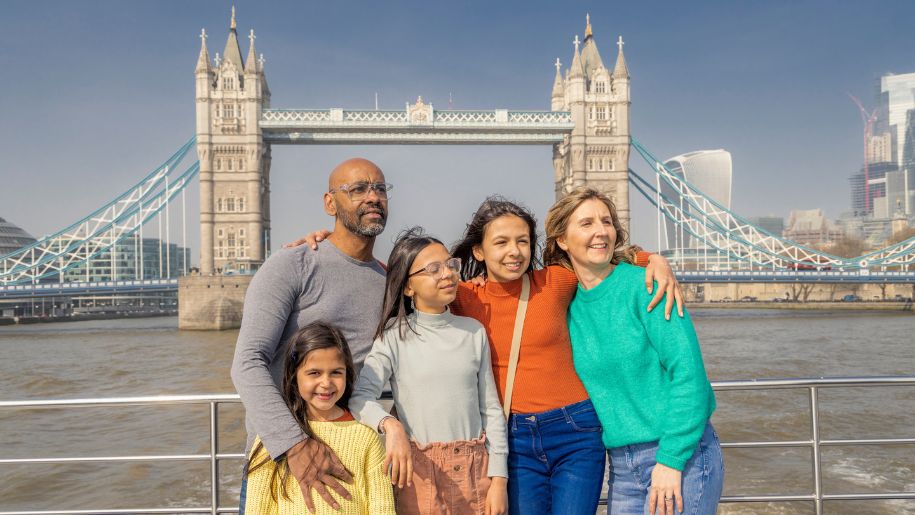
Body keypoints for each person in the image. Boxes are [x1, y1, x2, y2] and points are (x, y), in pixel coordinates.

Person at [447, 196, 684, 515]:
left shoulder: (555, 281)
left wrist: (654, 258)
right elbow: (416, 287)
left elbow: (600, 258)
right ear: (479, 250)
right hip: (513, 439)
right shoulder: (462, 297)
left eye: (523, 241)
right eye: (501, 242)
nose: (514, 252)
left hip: (577, 431)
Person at [543, 187, 723, 515]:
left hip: (679, 457)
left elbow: (689, 376)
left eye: (607, 221)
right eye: (586, 224)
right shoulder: (565, 304)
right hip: (621, 468)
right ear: (562, 240)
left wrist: (670, 461)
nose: (601, 231)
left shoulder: (647, 287)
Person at [231, 158, 392, 513]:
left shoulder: (391, 282)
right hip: (284, 464)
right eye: (358, 189)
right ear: (329, 203)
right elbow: (247, 362)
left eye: (380, 188)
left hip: (357, 460)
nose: (373, 197)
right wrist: (295, 445)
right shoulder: (292, 265)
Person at [349, 228, 509, 515]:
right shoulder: (393, 336)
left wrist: (499, 480)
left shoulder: (473, 332)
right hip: (419, 474)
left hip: (476, 471)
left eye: (451, 264)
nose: (447, 274)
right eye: (433, 268)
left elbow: (491, 409)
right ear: (408, 287)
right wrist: (391, 425)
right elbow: (360, 398)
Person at [243, 322, 396, 514]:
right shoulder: (273, 439)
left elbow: (382, 507)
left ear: (347, 374)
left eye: (336, 373)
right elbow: (257, 508)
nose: (326, 383)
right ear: (294, 375)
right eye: (314, 373)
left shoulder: (367, 437)